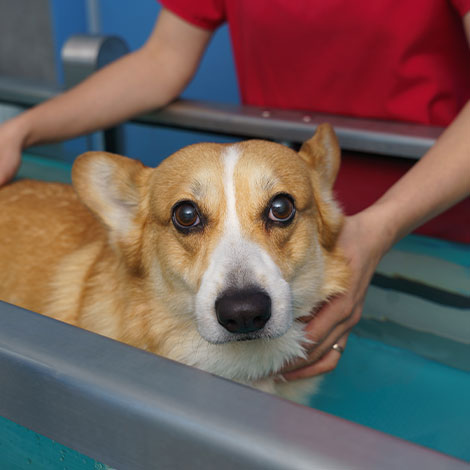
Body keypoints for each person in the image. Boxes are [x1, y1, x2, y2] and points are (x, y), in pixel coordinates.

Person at [0, 2, 469, 380]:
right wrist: (18, 131)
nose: (242, 304)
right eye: (189, 217)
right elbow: (162, 59)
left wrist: (382, 227)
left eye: (277, 211)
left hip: (433, 213)